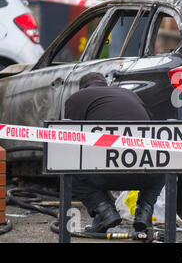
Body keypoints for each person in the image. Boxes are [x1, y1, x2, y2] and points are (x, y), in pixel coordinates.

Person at [64, 72, 165, 233]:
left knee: (67, 166)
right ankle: (144, 211)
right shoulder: (130, 94)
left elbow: (69, 139)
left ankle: (104, 210)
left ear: (82, 88)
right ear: (105, 84)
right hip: (145, 173)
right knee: (163, 169)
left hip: (105, 171)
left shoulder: (78, 98)